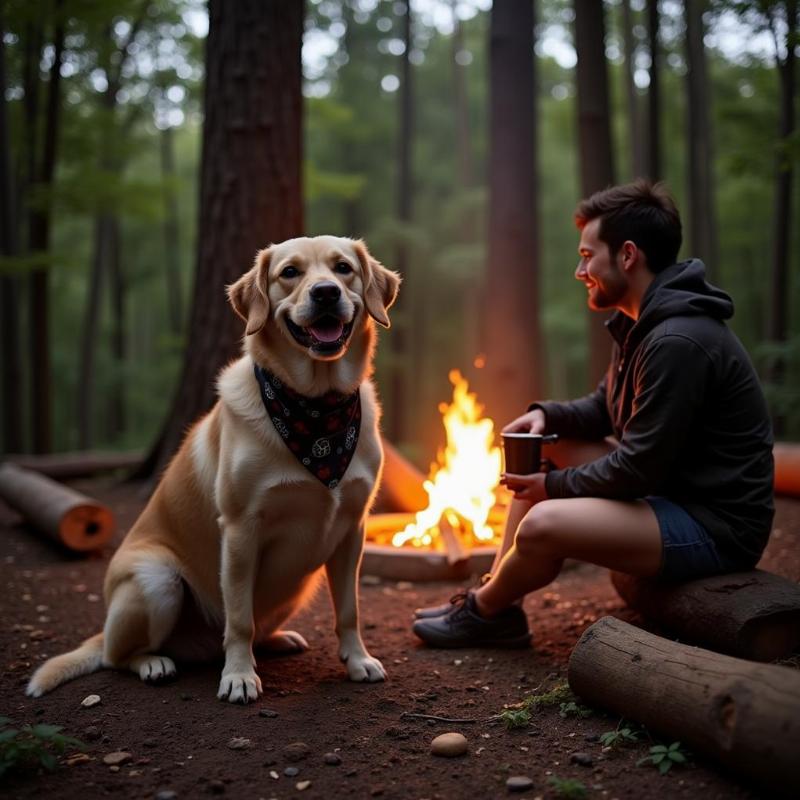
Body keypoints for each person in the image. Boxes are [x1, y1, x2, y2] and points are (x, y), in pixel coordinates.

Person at [412, 179, 775, 648]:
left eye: (588, 256)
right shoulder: (641, 324)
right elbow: (604, 408)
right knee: (547, 449)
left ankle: (485, 610)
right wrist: (547, 416)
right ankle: (499, 605)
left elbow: (638, 468)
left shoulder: (677, 342)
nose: (580, 270)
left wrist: (552, 488)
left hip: (715, 527)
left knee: (545, 522)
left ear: (627, 255)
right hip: (673, 497)